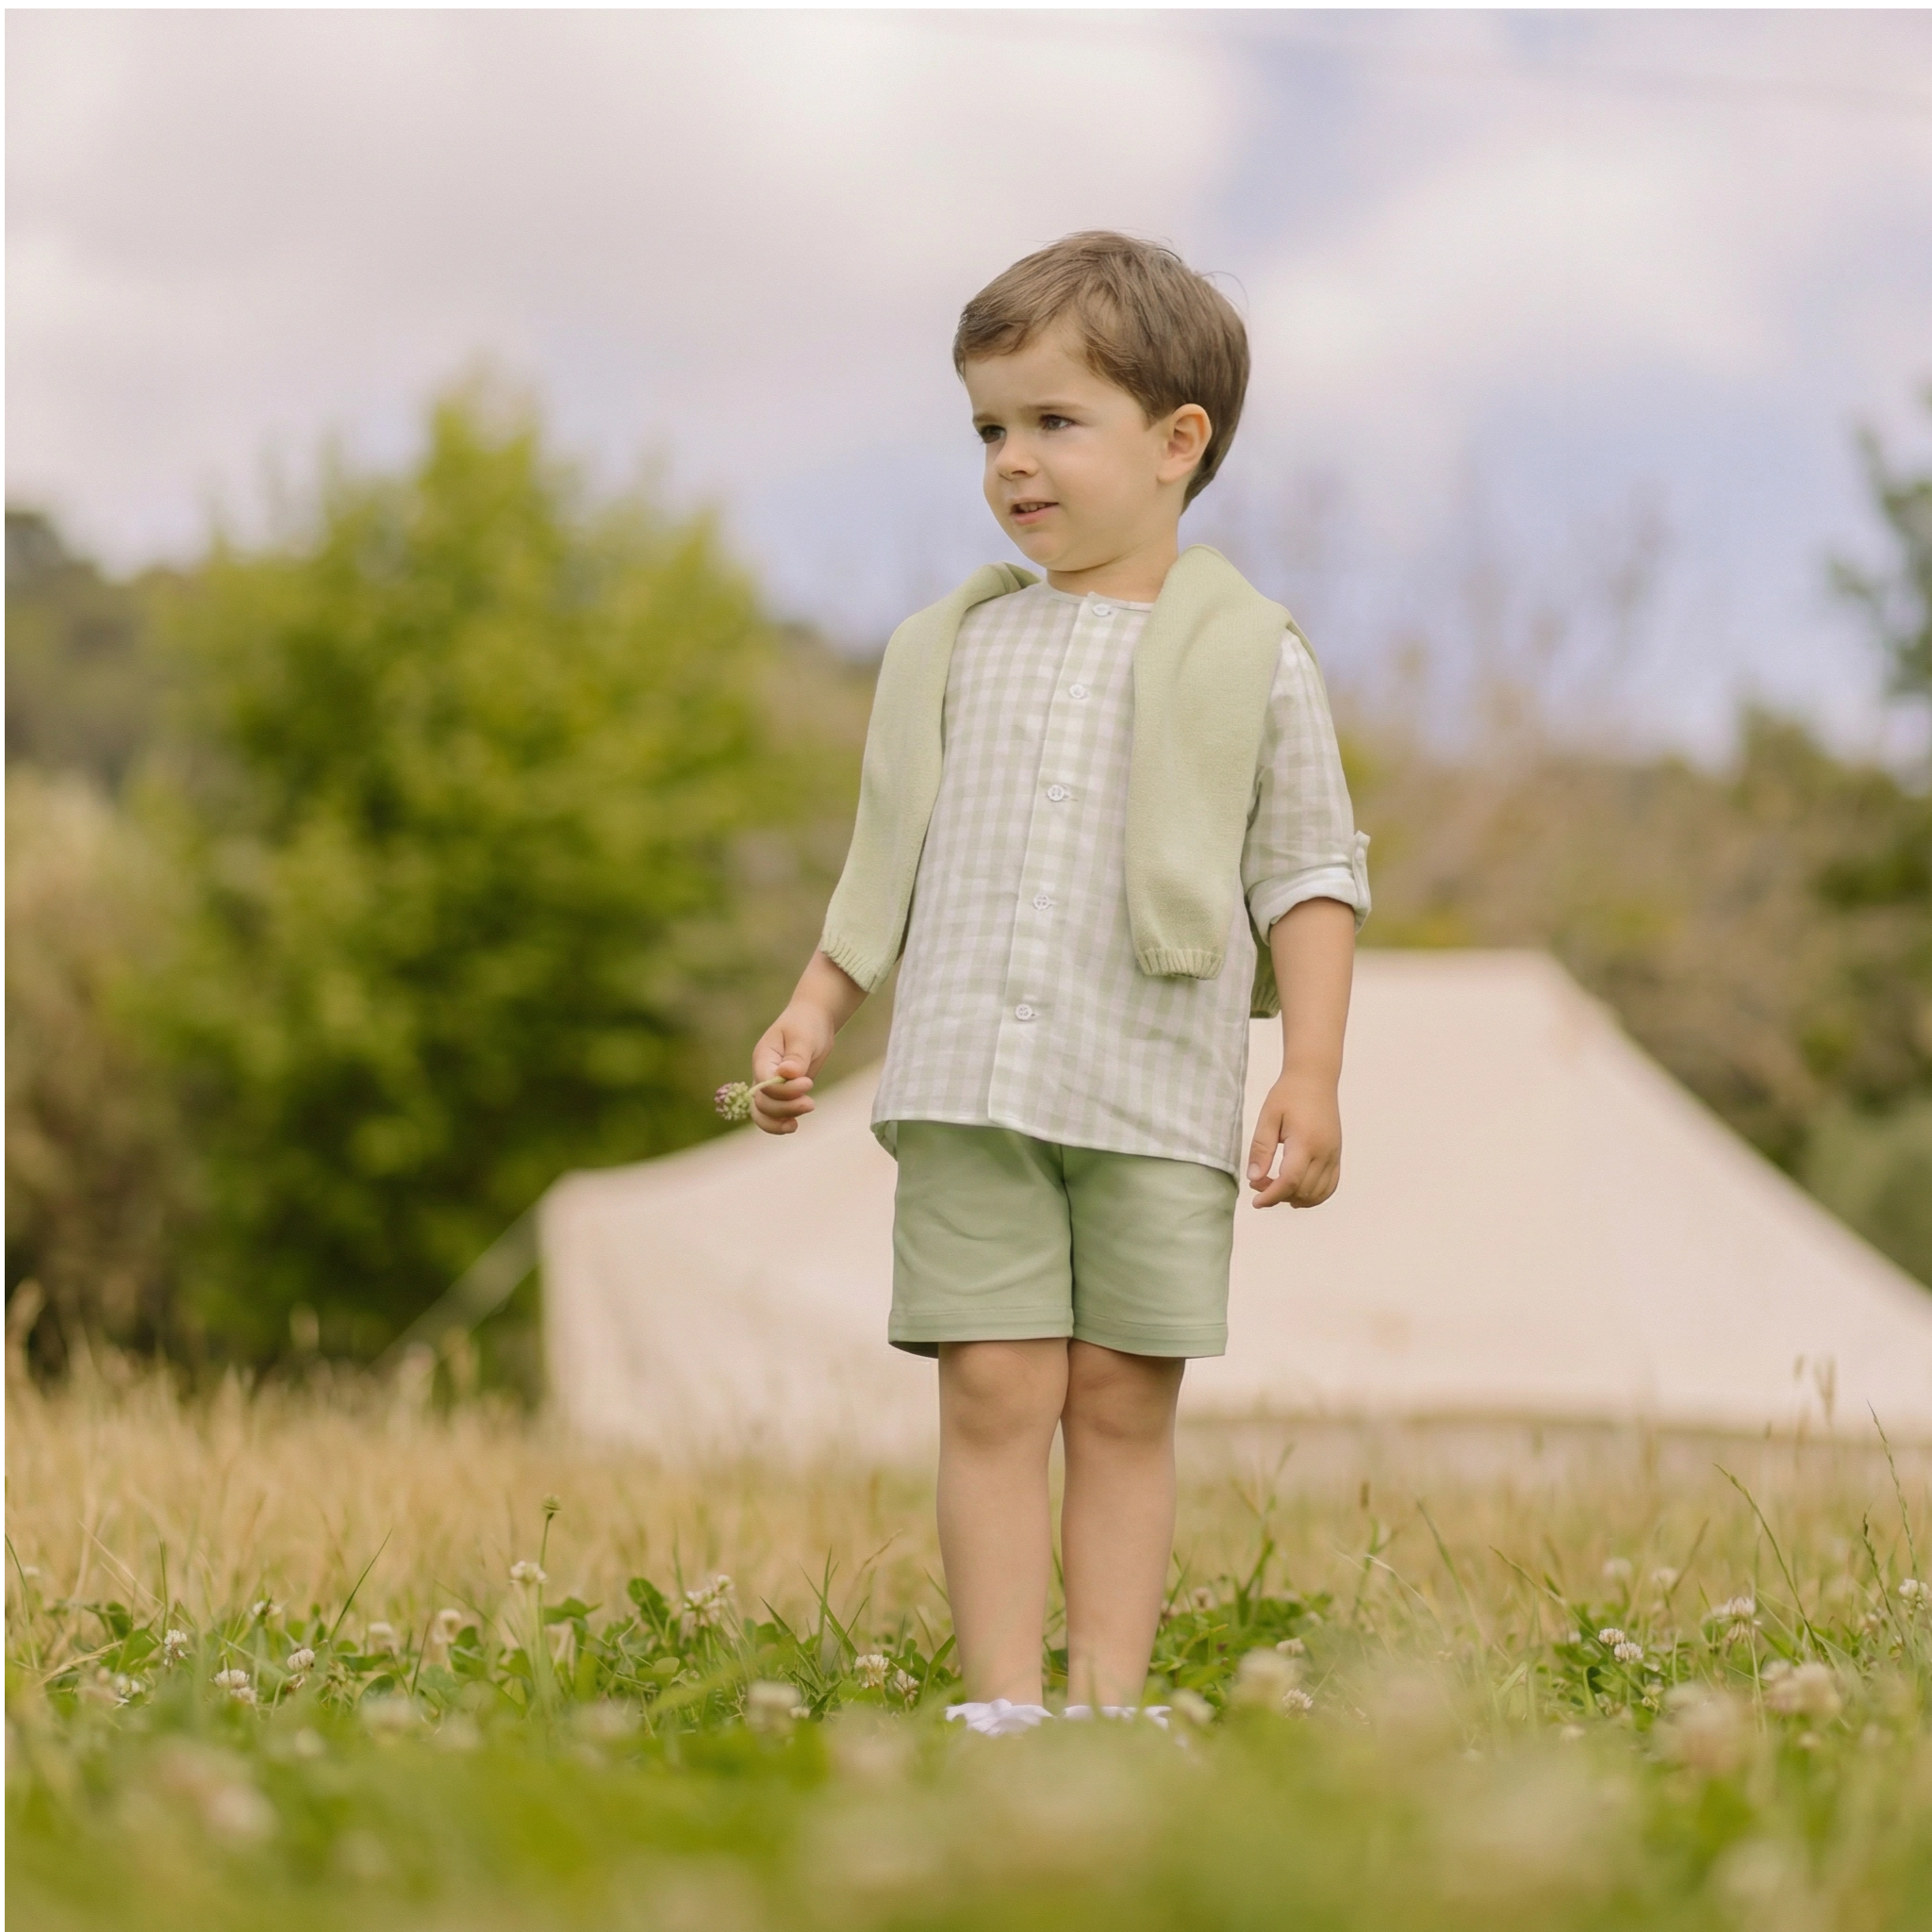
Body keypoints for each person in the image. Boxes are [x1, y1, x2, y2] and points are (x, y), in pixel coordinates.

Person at [748, 232, 1368, 1733]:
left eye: (1052, 422)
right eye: (988, 429)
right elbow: (885, 860)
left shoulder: (1254, 658)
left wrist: (1311, 1071)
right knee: (993, 1388)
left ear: (1176, 441)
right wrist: (814, 1011)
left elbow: (1306, 871)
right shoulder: (951, 650)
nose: (1011, 461)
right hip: (971, 1082)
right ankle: (1004, 1710)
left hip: (1153, 1093)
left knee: (1120, 1400)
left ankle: (1104, 1709)